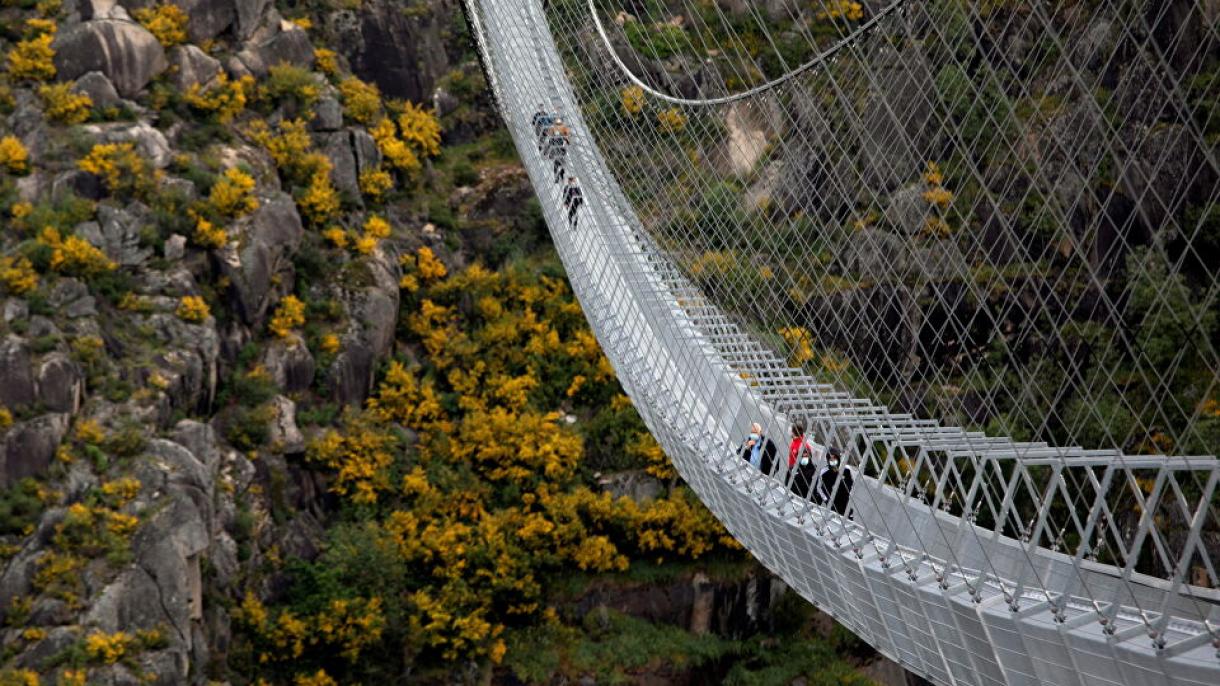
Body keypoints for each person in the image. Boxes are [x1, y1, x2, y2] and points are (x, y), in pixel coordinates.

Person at [816, 446, 854, 516]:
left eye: (834, 458)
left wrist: (849, 495)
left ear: (838, 458)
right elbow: (819, 488)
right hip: (832, 506)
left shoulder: (847, 470)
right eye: (830, 458)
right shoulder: (824, 472)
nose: (832, 460)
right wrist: (826, 499)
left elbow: (852, 485)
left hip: (845, 505)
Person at [545, 118, 571, 183]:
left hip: (562, 152)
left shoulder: (563, 135)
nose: (558, 127)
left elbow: (568, 141)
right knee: (556, 164)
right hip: (557, 153)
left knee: (563, 165)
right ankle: (557, 178)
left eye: (559, 125)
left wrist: (566, 139)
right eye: (557, 125)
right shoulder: (553, 133)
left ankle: (561, 174)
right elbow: (550, 142)